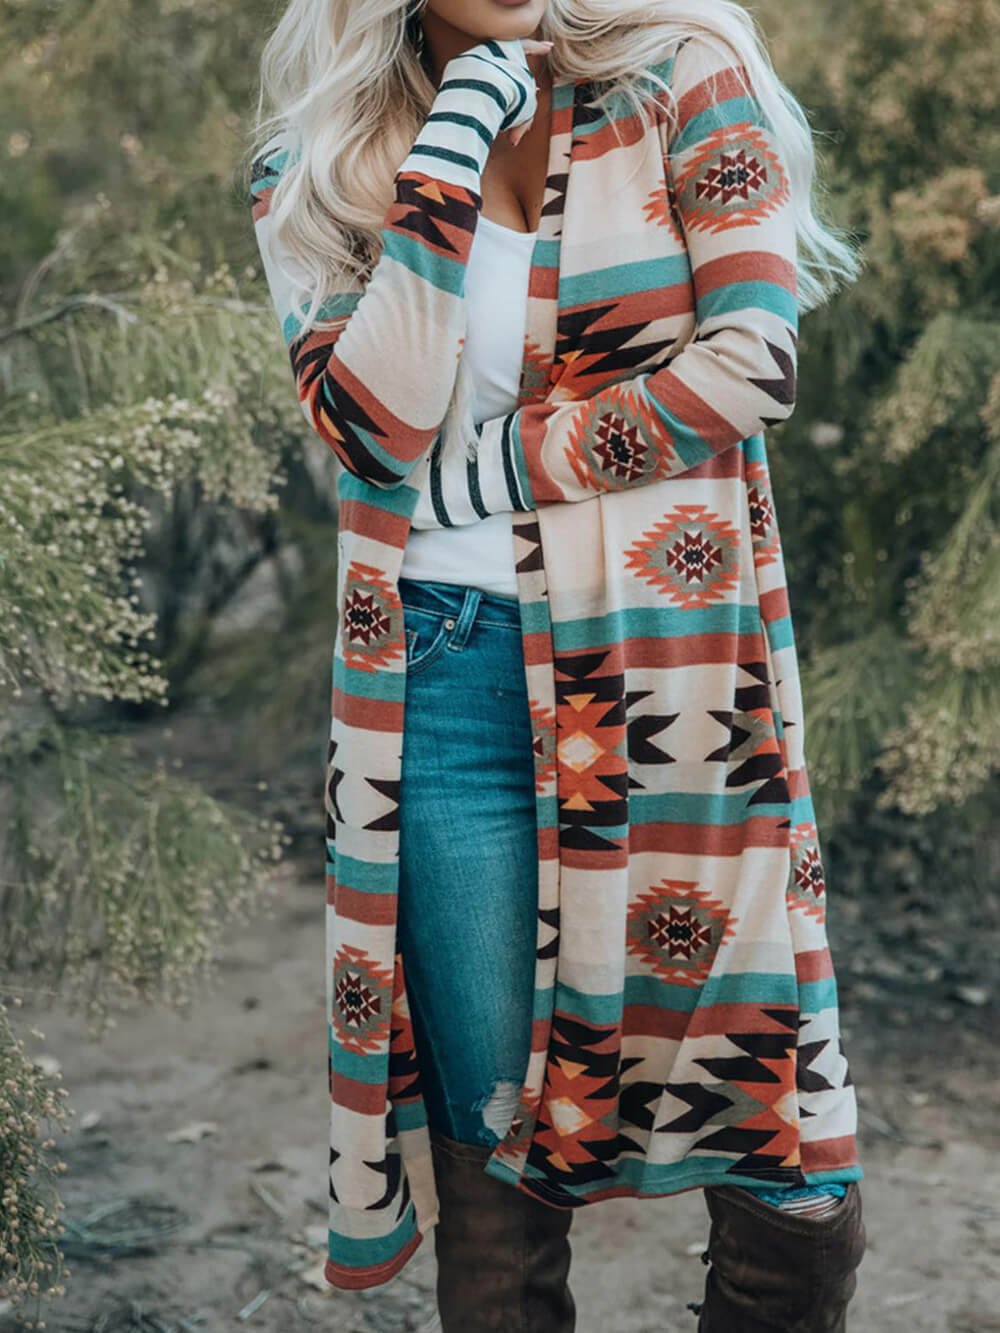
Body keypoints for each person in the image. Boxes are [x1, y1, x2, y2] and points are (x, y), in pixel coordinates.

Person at [247, 1, 868, 1328]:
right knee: (497, 1147)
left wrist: (499, 470)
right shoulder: (321, 164)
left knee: (779, 1136)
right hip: (442, 682)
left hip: (679, 675)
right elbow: (372, 431)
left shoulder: (682, 74)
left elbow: (752, 363)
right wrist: (453, 139)